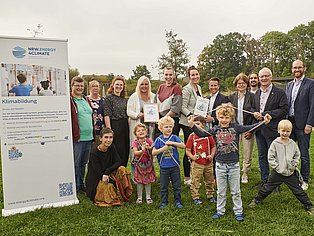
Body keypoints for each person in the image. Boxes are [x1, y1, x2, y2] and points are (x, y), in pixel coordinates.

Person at [188, 103, 271, 221]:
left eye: (227, 118)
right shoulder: (215, 129)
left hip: (234, 165)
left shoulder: (236, 127)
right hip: (220, 165)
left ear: (231, 117)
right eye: (221, 117)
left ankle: (238, 211)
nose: (224, 120)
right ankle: (220, 211)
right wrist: (192, 125)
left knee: (235, 191)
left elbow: (250, 128)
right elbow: (202, 133)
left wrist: (264, 122)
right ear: (217, 117)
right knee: (221, 191)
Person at [249, 120, 314, 216]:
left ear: (290, 132)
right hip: (277, 173)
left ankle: (309, 206)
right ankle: (257, 200)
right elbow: (270, 157)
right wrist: (277, 167)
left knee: (298, 190)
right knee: (267, 187)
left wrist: (294, 164)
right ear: (278, 130)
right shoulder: (275, 143)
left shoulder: (292, 144)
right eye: (283, 131)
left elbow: (297, 155)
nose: (285, 133)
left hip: (290, 173)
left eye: (287, 131)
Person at [251, 67, 288, 185]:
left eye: (266, 76)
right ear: (259, 79)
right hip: (260, 129)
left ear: (271, 77)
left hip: (272, 129)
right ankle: (265, 180)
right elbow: (252, 107)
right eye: (261, 76)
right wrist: (254, 113)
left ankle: (275, 182)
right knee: (262, 156)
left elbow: (284, 109)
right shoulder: (257, 93)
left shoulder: (280, 92)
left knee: (274, 156)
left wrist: (269, 114)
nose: (264, 78)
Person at [85, 128, 133, 206]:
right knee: (109, 187)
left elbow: (119, 162)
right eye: (106, 137)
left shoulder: (111, 146)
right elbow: (98, 173)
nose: (108, 140)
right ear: (100, 138)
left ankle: (125, 193)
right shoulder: (94, 152)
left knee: (122, 169)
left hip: (107, 173)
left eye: (110, 137)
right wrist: (114, 182)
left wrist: (107, 172)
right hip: (97, 179)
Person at [286, 59, 314, 191]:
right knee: (290, 152)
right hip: (290, 124)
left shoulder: (311, 84)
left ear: (304, 68)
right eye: (294, 68)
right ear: (292, 69)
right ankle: (291, 177)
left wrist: (310, 123)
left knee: (303, 154)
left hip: (303, 125)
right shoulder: (289, 85)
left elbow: (313, 105)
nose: (297, 70)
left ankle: (305, 179)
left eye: (299, 67)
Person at [152, 116, 185, 209]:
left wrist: (173, 143)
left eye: (170, 127)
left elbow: (183, 146)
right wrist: (163, 149)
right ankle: (164, 201)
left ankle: (178, 201)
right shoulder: (159, 139)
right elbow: (153, 152)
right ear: (161, 128)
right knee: (163, 186)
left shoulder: (174, 137)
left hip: (174, 166)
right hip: (164, 167)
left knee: (177, 185)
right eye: (166, 127)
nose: (168, 129)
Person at [228, 73, 255, 184]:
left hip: (247, 128)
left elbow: (254, 114)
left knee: (247, 152)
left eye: (243, 83)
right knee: (233, 151)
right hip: (235, 129)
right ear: (236, 85)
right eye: (239, 83)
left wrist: (251, 130)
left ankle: (245, 173)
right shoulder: (231, 97)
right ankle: (233, 172)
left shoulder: (252, 96)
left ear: (247, 84)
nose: (241, 85)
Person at [70, 76, 94, 193]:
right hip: (77, 138)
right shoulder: (70, 101)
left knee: (84, 163)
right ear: (72, 86)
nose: (79, 88)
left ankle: (81, 184)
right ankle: (75, 186)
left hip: (89, 137)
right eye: (77, 85)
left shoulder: (86, 99)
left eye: (81, 86)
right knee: (76, 163)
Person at [179, 65, 203, 185]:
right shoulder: (186, 89)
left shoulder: (199, 87)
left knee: (196, 147)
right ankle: (187, 177)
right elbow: (182, 107)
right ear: (189, 77)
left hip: (197, 122)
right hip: (188, 123)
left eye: (196, 74)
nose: (195, 76)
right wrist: (191, 115)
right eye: (192, 75)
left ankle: (195, 173)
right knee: (189, 148)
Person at [185, 116, 216, 204]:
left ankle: (210, 195)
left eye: (198, 124)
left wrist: (211, 155)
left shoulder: (208, 135)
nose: (196, 126)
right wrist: (192, 157)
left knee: (210, 180)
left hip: (208, 162)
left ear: (203, 124)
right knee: (195, 180)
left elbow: (213, 146)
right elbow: (187, 150)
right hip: (197, 163)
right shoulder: (192, 136)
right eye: (194, 124)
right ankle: (195, 197)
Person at [104, 76, 130, 167]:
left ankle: (123, 174)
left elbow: (127, 115)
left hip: (124, 126)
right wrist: (109, 131)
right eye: (117, 84)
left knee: (125, 150)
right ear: (113, 86)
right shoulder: (108, 98)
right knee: (117, 151)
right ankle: (115, 175)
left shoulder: (125, 99)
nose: (119, 86)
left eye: (121, 85)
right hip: (115, 125)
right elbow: (107, 115)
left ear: (123, 87)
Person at [127, 76, 155, 157]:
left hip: (150, 126)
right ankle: (135, 166)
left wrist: (155, 117)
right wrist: (137, 114)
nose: (144, 86)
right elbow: (128, 111)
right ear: (138, 85)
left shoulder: (153, 96)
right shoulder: (134, 96)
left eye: (146, 84)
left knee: (149, 145)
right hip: (138, 125)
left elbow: (157, 109)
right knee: (137, 146)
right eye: (142, 84)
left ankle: (149, 165)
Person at [132, 123, 156, 204]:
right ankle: (139, 197)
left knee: (148, 181)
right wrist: (142, 150)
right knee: (139, 181)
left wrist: (149, 147)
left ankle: (148, 197)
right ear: (135, 134)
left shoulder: (149, 140)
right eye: (138, 131)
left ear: (146, 132)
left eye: (143, 130)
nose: (141, 132)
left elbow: (153, 150)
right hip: (139, 165)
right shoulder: (135, 142)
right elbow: (135, 152)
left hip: (148, 164)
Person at [155, 66, 182, 137]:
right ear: (163, 75)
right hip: (160, 121)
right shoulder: (161, 87)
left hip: (171, 121)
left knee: (170, 145)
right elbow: (155, 103)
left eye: (170, 74)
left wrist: (163, 120)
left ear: (174, 75)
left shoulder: (177, 88)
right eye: (166, 74)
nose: (168, 77)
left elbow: (176, 108)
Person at [88, 80, 105, 144]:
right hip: (90, 131)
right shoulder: (86, 100)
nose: (95, 88)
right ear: (89, 88)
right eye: (93, 86)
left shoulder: (103, 100)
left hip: (101, 131)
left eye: (97, 86)